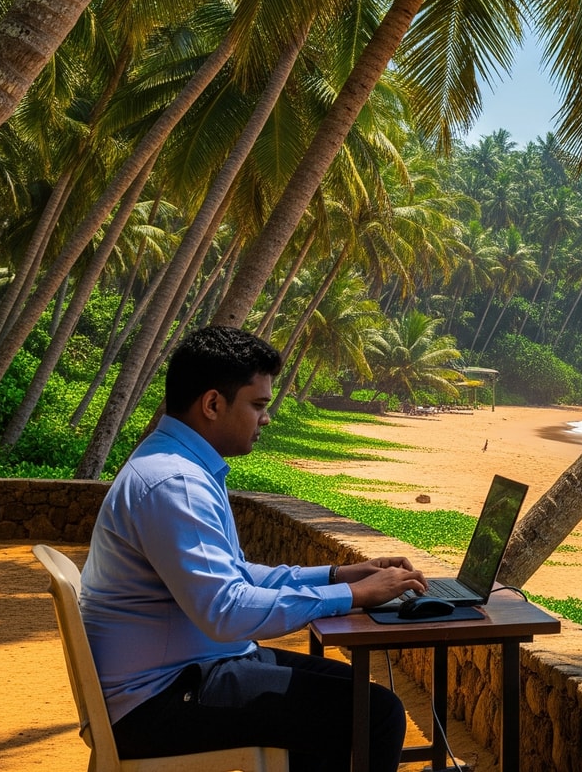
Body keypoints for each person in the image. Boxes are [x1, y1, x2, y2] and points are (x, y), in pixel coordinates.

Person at [81, 326, 429, 772]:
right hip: (157, 701)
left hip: (180, 675)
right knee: (373, 715)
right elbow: (227, 611)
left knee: (360, 697)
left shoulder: (177, 467)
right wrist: (355, 597)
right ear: (212, 404)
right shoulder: (176, 484)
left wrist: (338, 576)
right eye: (258, 405)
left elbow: (237, 577)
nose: (265, 418)